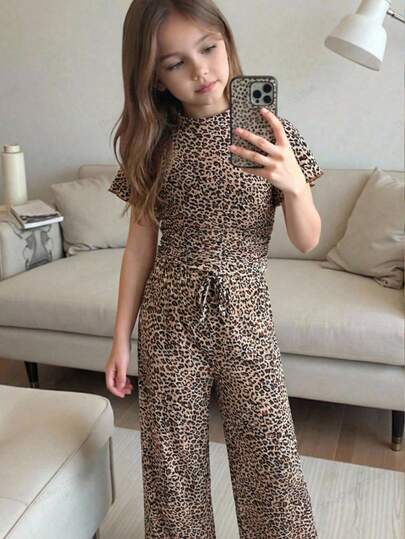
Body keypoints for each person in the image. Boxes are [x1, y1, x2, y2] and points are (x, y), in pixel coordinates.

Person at [105, 1, 324, 537]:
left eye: (208, 48)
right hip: (168, 318)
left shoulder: (272, 131)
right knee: (171, 461)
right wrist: (120, 339)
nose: (201, 70)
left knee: (268, 451)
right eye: (175, 63)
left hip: (245, 312)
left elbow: (307, 238)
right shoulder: (152, 143)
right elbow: (139, 247)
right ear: (153, 77)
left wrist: (294, 184)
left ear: (226, 41)